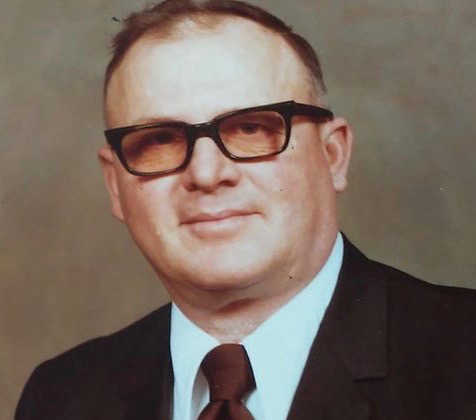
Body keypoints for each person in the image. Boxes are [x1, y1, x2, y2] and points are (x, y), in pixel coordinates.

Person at [15, 1, 476, 419]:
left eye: (250, 128)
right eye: (160, 140)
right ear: (115, 186)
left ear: (333, 155)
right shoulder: (61, 398)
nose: (207, 174)